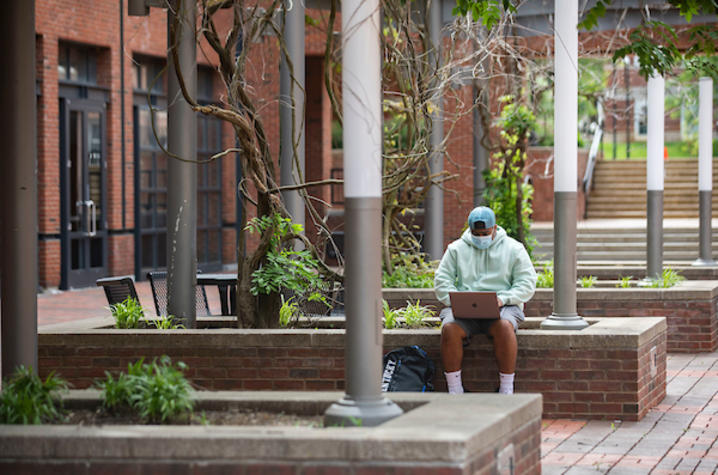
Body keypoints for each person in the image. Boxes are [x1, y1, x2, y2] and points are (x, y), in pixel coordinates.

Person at [434, 206, 536, 394]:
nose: (480, 237)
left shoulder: (514, 248)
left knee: (505, 328)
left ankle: (506, 389)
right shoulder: (456, 249)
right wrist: (456, 299)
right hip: (464, 308)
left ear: (495, 228)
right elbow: (442, 281)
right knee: (449, 329)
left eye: (485, 233)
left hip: (503, 305)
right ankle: (455, 390)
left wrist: (504, 298)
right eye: (476, 233)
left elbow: (527, 283)